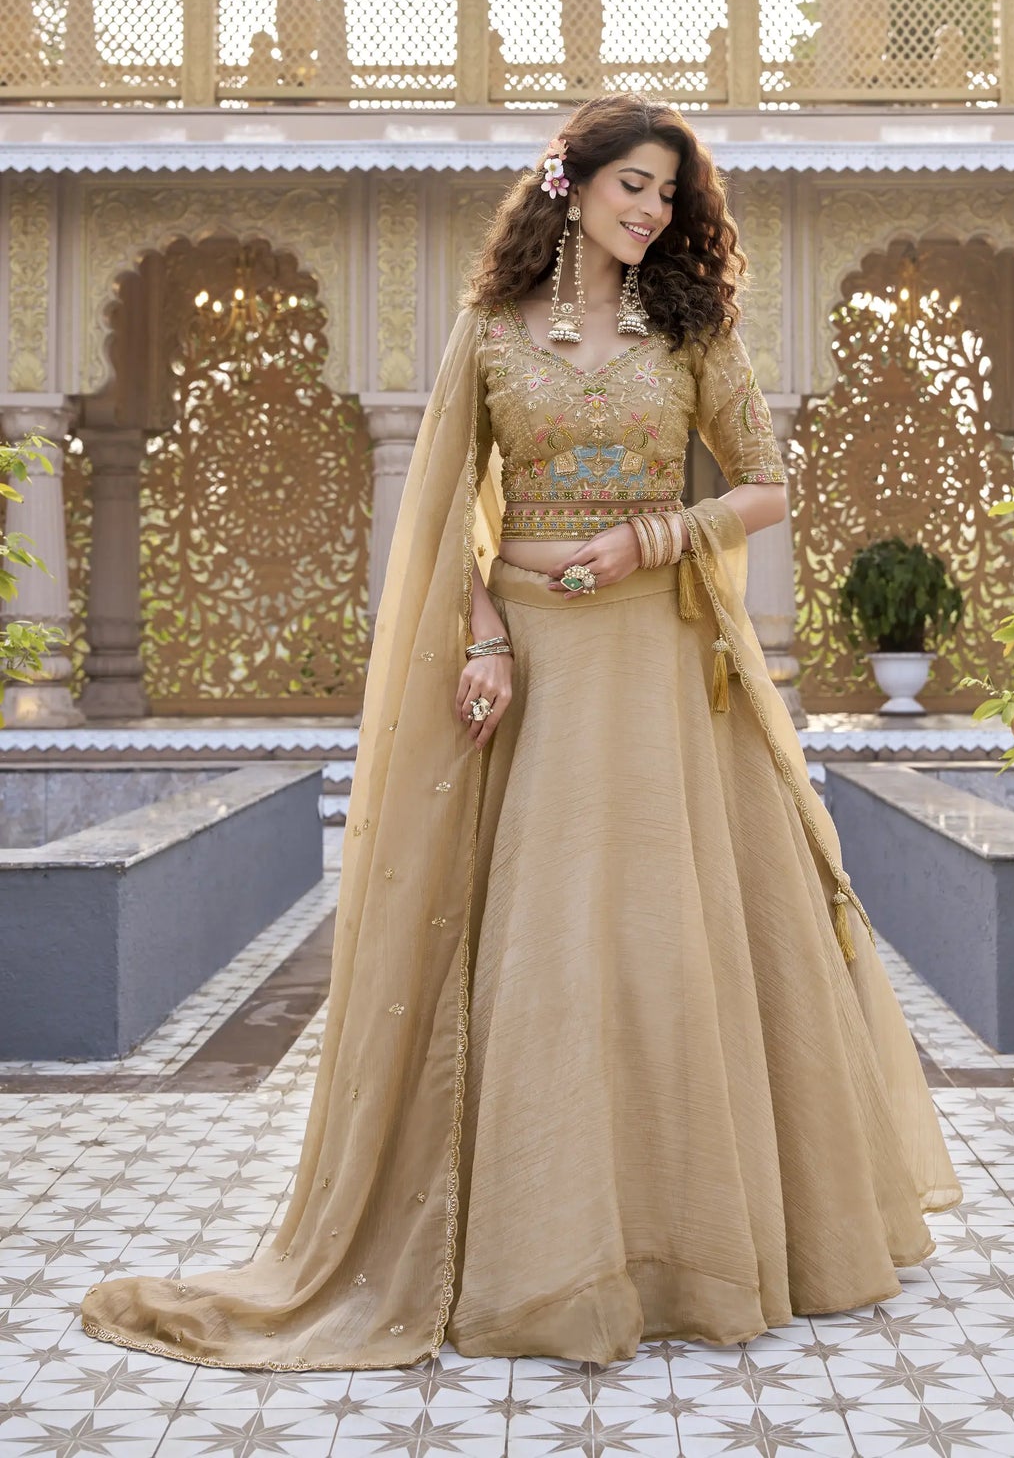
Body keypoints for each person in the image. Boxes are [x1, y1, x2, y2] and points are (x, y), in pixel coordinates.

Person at [81, 93, 961, 1373]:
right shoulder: (491, 333)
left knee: (667, 938)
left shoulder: (692, 330)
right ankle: (532, 1247)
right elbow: (448, 522)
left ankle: (690, 1241)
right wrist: (482, 635)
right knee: (547, 942)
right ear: (572, 183)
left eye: (669, 192)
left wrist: (656, 535)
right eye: (634, 186)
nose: (653, 210)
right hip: (538, 666)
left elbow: (769, 484)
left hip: (659, 662)